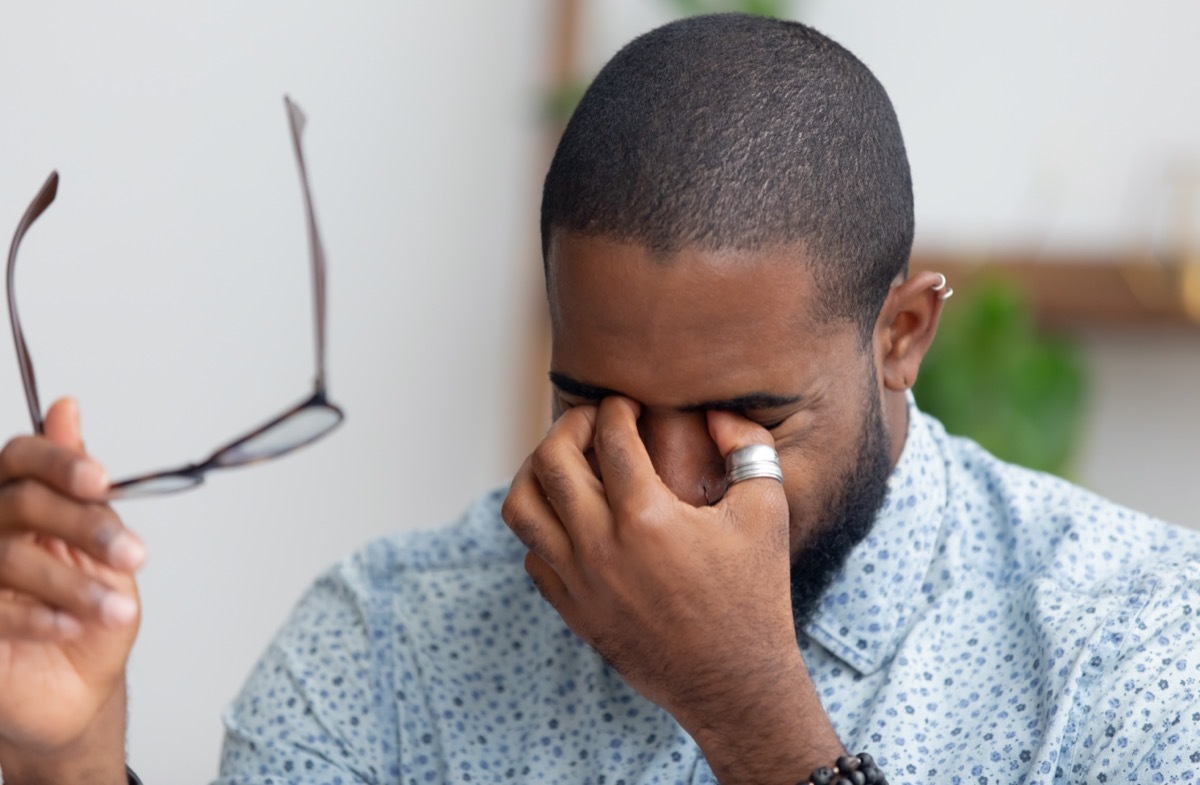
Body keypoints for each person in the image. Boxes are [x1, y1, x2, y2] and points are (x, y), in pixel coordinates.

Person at [1, 12, 1198, 785]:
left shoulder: (1135, 642)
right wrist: (66, 755)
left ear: (901, 334)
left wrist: (756, 720)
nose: (665, 487)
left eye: (749, 418)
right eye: (595, 398)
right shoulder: (383, 642)